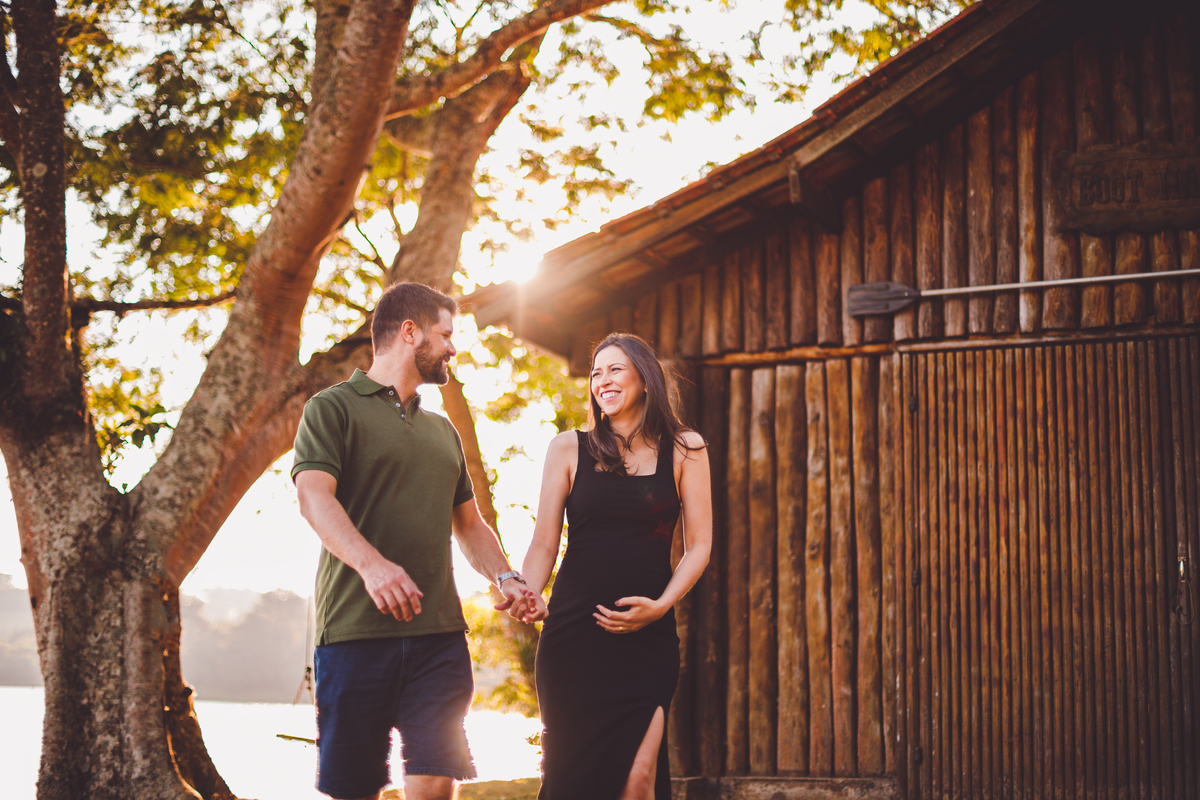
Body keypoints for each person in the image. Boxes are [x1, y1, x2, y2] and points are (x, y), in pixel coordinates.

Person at [292, 282, 536, 800]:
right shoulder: (331, 409)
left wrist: (507, 577)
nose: (452, 348)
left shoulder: (443, 431)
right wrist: (373, 566)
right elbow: (313, 497)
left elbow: (470, 525)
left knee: (434, 780)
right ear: (410, 332)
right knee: (354, 789)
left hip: (439, 638)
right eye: (445, 335)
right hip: (354, 634)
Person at [517, 332, 713, 800]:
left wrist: (661, 606)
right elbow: (544, 541)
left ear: (645, 379)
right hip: (573, 639)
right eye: (595, 373)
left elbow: (700, 545)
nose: (602, 380)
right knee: (571, 782)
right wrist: (528, 590)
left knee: (639, 778)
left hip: (648, 640)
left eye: (615, 369)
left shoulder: (686, 448)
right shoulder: (568, 448)